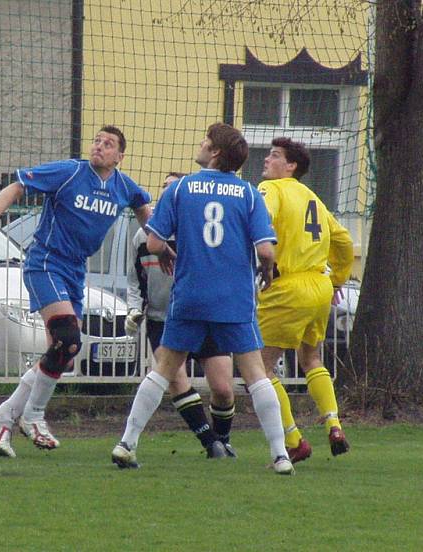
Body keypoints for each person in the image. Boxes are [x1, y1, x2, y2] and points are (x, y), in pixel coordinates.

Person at [0, 125, 163, 458]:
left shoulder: (123, 187)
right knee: (69, 338)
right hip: (46, 262)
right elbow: (16, 185)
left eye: (108, 144)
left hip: (74, 270)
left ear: (120, 156)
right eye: (97, 141)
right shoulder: (71, 172)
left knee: (62, 350)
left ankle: (1, 418)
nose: (99, 146)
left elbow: (147, 215)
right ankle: (33, 416)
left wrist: (166, 250)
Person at [112, 122, 293, 475]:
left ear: (214, 152)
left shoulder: (180, 189)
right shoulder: (249, 193)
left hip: (191, 295)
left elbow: (151, 243)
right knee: (255, 374)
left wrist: (165, 250)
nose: (200, 143)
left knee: (163, 369)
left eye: (205, 141)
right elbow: (267, 250)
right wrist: (267, 272)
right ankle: (280, 456)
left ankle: (127, 443)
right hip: (234, 298)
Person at [125, 172, 238, 459]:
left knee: (223, 388)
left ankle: (223, 439)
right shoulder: (144, 236)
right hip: (163, 319)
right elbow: (135, 279)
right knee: (174, 379)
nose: (167, 192)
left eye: (173, 187)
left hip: (205, 316)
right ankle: (211, 443)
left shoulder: (198, 230)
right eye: (163, 187)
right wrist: (134, 308)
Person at [256, 137, 354, 463]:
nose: (267, 160)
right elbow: (343, 241)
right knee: (311, 358)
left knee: (260, 367)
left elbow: (261, 218)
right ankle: (334, 424)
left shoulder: (273, 189)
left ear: (291, 166)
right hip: (320, 286)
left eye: (274, 156)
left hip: (288, 287)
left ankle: (294, 439)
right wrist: (337, 279)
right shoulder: (314, 198)